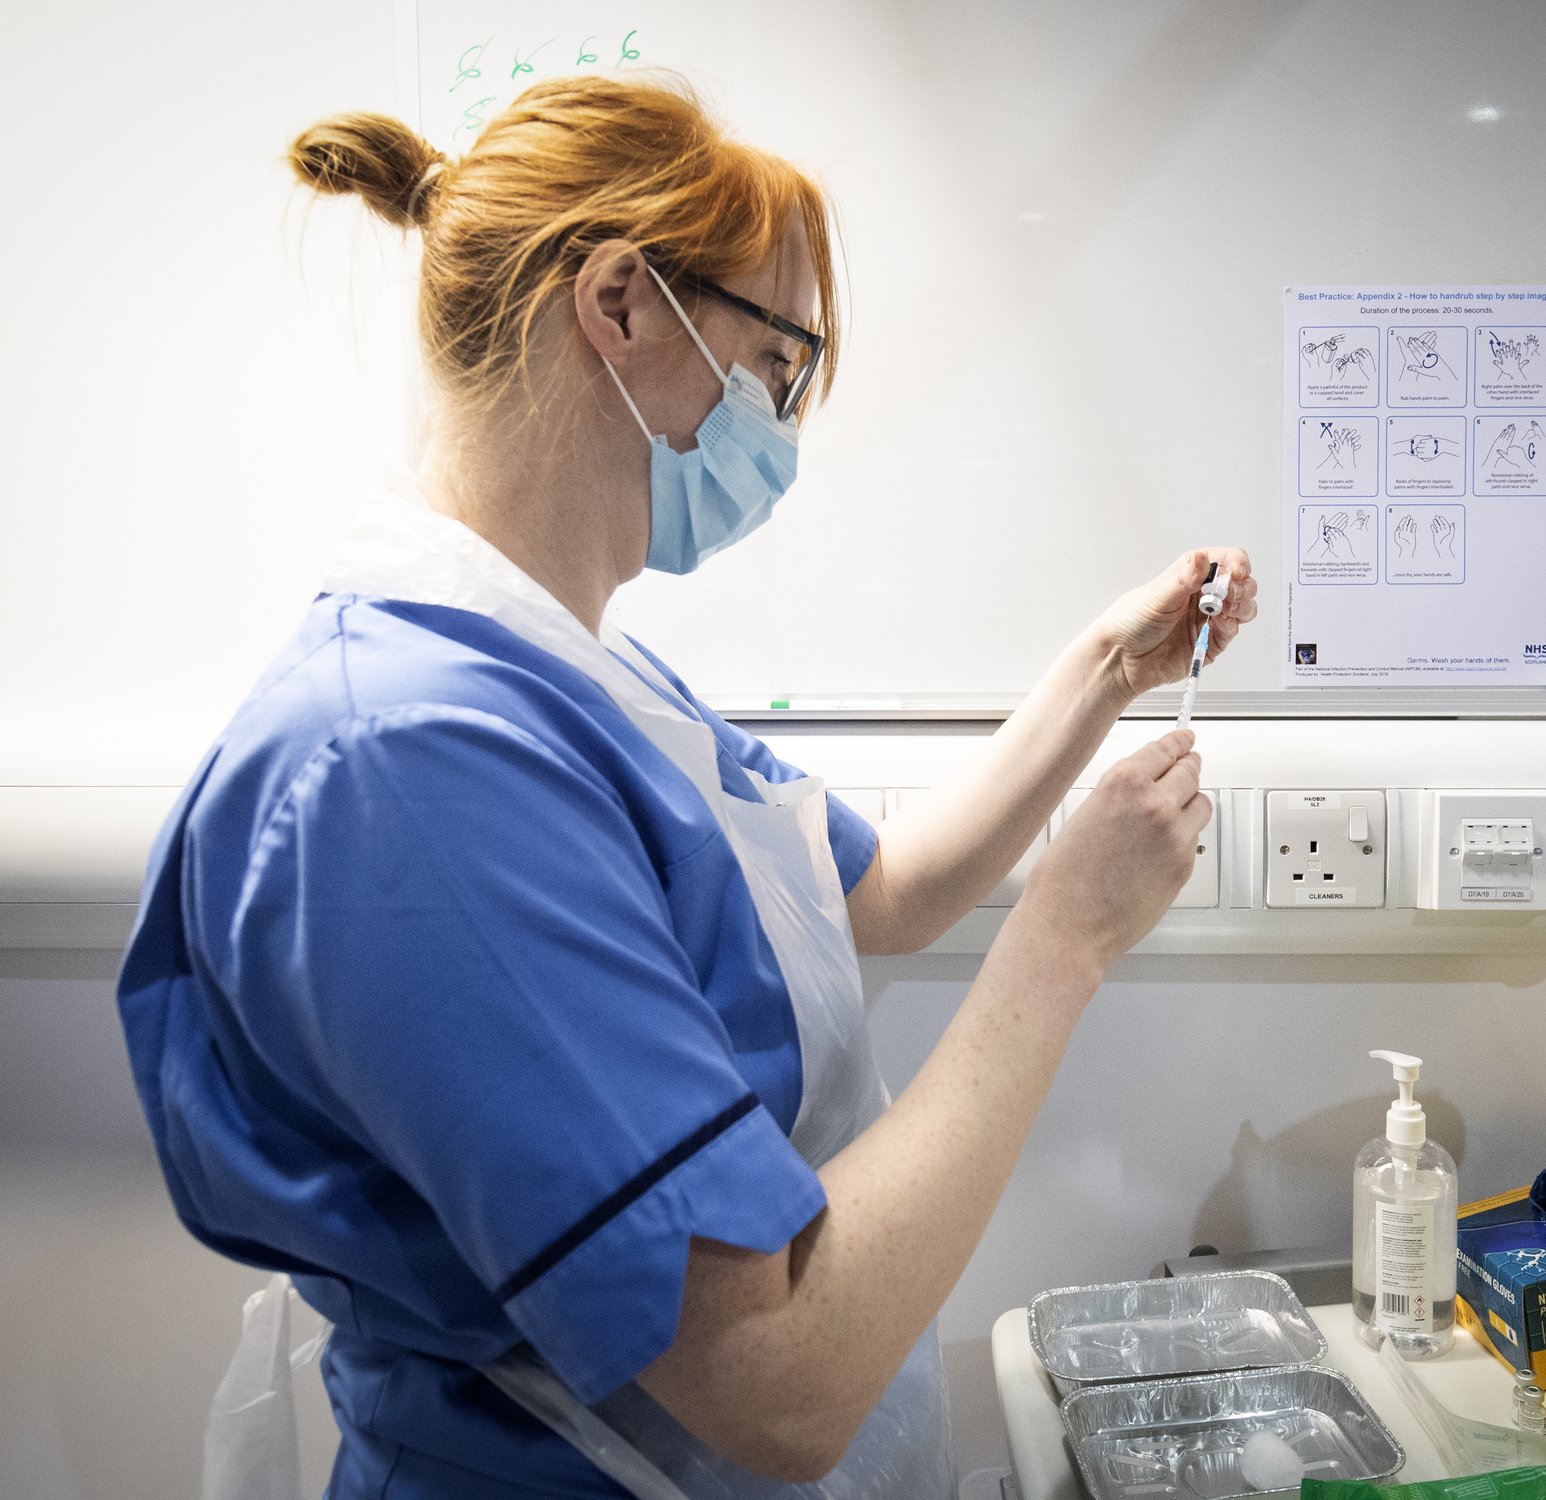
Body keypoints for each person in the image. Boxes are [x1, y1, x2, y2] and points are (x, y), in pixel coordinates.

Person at [116, 71, 1257, 1500]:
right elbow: (774, 1381)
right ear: (621, 305)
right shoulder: (410, 769)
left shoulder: (572, 673)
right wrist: (1067, 940)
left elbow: (878, 892)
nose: (778, 428)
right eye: (776, 366)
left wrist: (1106, 669)